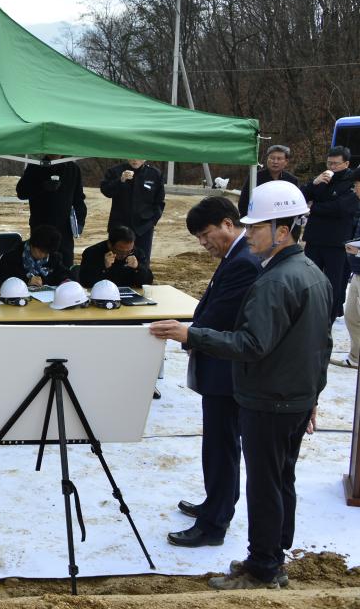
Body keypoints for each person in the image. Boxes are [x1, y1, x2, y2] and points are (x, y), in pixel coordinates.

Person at [150, 180, 331, 590]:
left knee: (265, 484)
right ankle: (274, 555)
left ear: (282, 231)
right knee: (281, 480)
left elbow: (252, 344)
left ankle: (263, 567)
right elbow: (322, 345)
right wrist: (314, 397)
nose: (248, 236)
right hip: (294, 397)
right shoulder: (311, 273)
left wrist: (191, 335)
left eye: (255, 229)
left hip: (269, 398)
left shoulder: (275, 281)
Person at [166, 197, 260, 549]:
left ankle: (214, 525)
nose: (203, 243)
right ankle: (214, 504)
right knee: (217, 445)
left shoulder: (244, 262)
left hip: (228, 372)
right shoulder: (234, 257)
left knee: (222, 448)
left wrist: (190, 335)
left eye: (205, 234)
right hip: (220, 367)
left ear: (227, 224)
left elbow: (220, 314)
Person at [300, 146, 357, 318]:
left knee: (334, 283)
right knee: (309, 279)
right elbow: (301, 197)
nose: (331, 167)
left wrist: (313, 207)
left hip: (337, 242)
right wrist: (313, 183)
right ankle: (307, 313)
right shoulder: (323, 178)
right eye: (329, 162)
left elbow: (341, 208)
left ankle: (330, 315)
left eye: (336, 164)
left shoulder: (352, 181)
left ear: (346, 163)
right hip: (314, 239)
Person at [15, 156, 86, 267]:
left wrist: (80, 222)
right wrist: (42, 187)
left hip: (65, 228)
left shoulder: (72, 168)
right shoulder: (36, 166)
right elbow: (21, 192)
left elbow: (79, 199)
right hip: (41, 226)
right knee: (42, 262)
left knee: (64, 264)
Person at [100, 159, 165, 265]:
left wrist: (152, 221)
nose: (135, 160)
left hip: (143, 228)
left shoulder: (154, 174)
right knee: (116, 260)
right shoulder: (115, 171)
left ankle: (140, 281)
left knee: (141, 262)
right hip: (119, 226)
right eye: (132, 156)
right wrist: (120, 180)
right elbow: (106, 191)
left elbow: (159, 201)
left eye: (139, 157)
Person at [0, 224, 71, 287]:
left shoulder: (54, 257)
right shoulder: (12, 257)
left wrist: (65, 281)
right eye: (41, 251)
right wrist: (26, 281)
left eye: (46, 253)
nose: (43, 255)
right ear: (32, 244)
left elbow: (63, 273)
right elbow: (2, 279)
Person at [78, 225, 153, 288]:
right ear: (110, 244)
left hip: (128, 297)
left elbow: (148, 281)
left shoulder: (137, 253)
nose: (124, 255)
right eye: (120, 251)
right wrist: (103, 267)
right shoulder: (92, 253)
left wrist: (138, 267)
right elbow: (85, 282)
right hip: (101, 296)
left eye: (129, 251)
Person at [237, 144, 299, 213]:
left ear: (286, 161)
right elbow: (243, 204)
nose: (275, 162)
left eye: (279, 159)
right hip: (258, 220)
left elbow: (295, 206)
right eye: (272, 158)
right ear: (267, 159)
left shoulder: (291, 180)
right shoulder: (255, 177)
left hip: (283, 222)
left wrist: (287, 223)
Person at [339, 174, 360, 368]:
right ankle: (355, 357)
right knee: (352, 316)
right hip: (357, 271)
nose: (355, 189)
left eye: (357, 184)